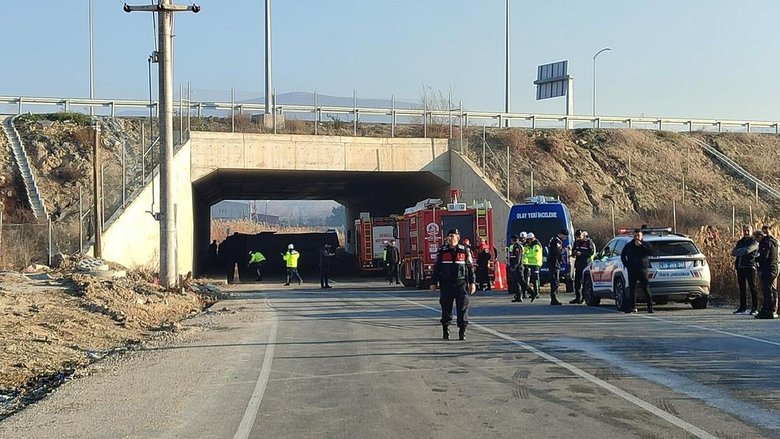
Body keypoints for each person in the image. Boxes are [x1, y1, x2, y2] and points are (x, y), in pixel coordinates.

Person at [430, 228, 476, 341]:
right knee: (446, 308)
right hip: (446, 284)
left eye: (453, 236)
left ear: (458, 237)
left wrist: (472, 283)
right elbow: (437, 268)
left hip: (461, 284)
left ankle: (462, 331)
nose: (450, 238)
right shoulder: (442, 251)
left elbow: (470, 268)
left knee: (463, 307)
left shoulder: (465, 250)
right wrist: (433, 282)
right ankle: (446, 330)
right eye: (449, 236)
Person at [620, 228, 654, 313]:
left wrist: (641, 246)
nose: (637, 237)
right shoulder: (629, 245)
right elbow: (623, 255)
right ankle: (633, 307)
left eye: (638, 235)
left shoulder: (645, 244)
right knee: (632, 289)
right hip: (632, 270)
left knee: (645, 289)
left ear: (642, 236)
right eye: (635, 236)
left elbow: (651, 252)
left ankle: (650, 307)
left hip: (642, 269)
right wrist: (626, 264)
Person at [731, 225, 760, 315]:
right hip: (740, 267)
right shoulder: (740, 241)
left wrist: (740, 251)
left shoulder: (754, 241)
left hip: (750, 266)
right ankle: (742, 307)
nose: (746, 232)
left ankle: (755, 307)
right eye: (744, 231)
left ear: (751, 231)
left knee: (753, 287)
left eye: (748, 231)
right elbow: (733, 252)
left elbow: (748, 250)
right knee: (742, 288)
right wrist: (740, 251)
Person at [755, 225, 779, 319]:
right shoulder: (774, 241)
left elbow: (763, 257)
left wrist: (756, 259)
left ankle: (768, 310)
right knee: (770, 289)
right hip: (774, 267)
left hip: (768, 268)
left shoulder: (766, 243)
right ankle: (768, 309)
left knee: (767, 290)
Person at [571, 230, 596, 304]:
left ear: (583, 235)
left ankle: (584, 298)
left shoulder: (588, 242)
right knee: (577, 282)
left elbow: (591, 253)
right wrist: (574, 253)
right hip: (578, 264)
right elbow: (573, 251)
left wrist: (581, 253)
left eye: (580, 236)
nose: (578, 238)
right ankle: (577, 297)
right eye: (577, 237)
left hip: (586, 264)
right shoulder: (576, 242)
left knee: (584, 282)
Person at [547, 229, 567, 306]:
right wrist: (565, 250)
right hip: (554, 264)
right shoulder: (556, 241)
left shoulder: (554, 240)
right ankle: (554, 298)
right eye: (564, 236)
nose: (565, 238)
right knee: (555, 281)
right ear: (561, 234)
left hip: (554, 263)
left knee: (555, 281)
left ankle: (554, 297)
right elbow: (557, 253)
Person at [524, 232, 543, 302]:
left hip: (536, 264)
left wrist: (526, 255)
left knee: (536, 279)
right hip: (532, 264)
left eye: (528, 240)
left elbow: (534, 255)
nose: (528, 241)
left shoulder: (536, 246)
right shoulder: (532, 245)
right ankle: (534, 292)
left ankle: (537, 292)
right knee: (533, 279)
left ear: (531, 239)